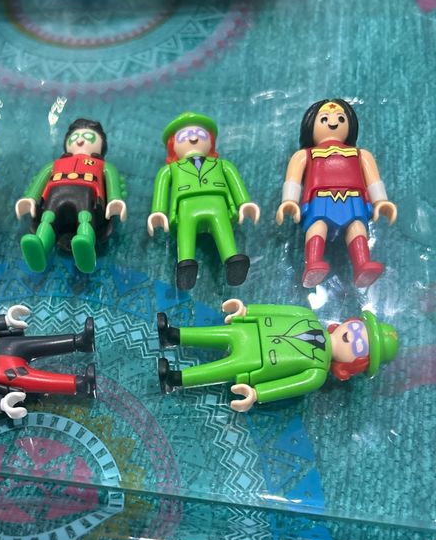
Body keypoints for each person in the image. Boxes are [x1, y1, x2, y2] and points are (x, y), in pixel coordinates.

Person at [157, 298, 398, 411]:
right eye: (357, 329)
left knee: (219, 370)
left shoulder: (316, 374)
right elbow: (279, 310)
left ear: (352, 367)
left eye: (359, 345)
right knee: (213, 333)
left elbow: (287, 386)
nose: (352, 337)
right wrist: (247, 310)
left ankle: (175, 378)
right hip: (253, 330)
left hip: (258, 363)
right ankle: (173, 334)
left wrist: (256, 394)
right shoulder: (308, 316)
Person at [276, 99, 397, 289]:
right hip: (321, 198)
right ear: (310, 125)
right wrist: (289, 200)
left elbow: (373, 179)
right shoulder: (305, 155)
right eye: (324, 118)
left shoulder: (361, 154)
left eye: (341, 118)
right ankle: (313, 263)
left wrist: (381, 200)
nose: (333, 122)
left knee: (357, 226)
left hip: (353, 198)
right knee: (318, 225)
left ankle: (362, 264)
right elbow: (293, 179)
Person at [148, 112, 260, 290]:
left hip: (217, 202)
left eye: (200, 134)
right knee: (186, 232)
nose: (193, 138)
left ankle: (233, 261)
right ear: (172, 145)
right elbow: (161, 187)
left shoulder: (222, 164)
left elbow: (235, 181)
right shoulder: (171, 169)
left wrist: (244, 202)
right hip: (185, 206)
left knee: (222, 228)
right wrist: (158, 211)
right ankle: (185, 266)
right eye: (184, 136)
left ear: (211, 141)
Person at [16, 118, 126, 274]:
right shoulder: (54, 164)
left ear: (101, 143)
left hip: (87, 194)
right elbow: (39, 180)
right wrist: (31, 197)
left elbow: (113, 181)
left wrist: (115, 199)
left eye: (88, 137)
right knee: (47, 218)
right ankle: (40, 246)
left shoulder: (103, 166)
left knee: (85, 217)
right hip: (55, 193)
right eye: (75, 137)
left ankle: (85, 246)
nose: (80, 141)